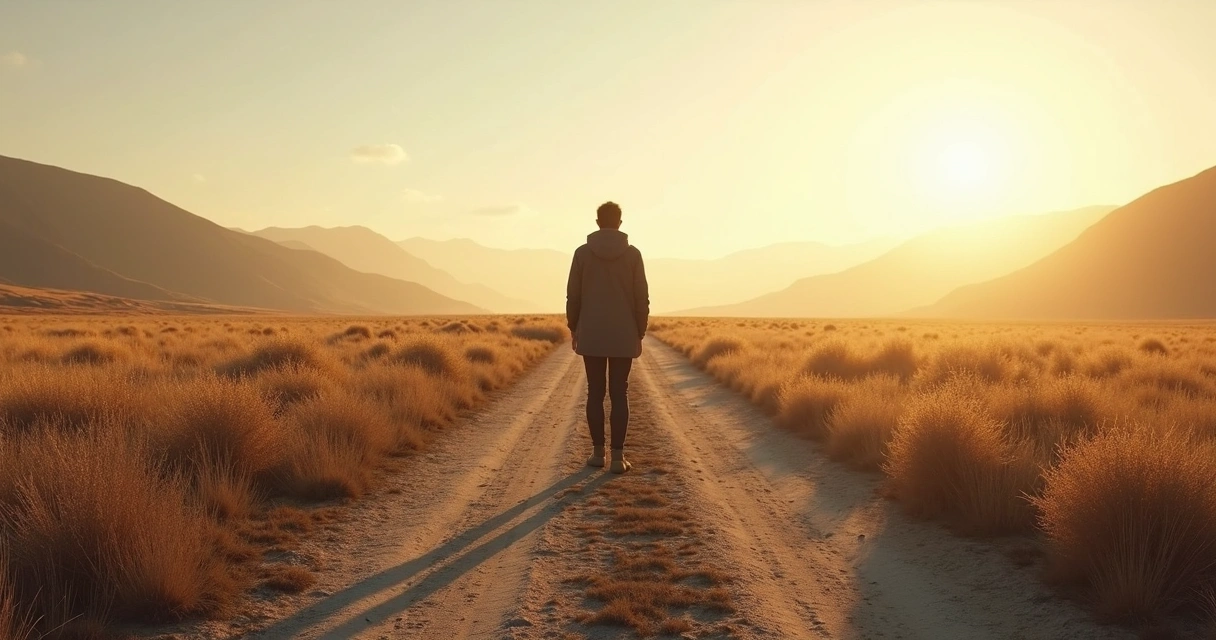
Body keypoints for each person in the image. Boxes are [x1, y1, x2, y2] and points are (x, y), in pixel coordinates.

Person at [566, 201, 650, 474]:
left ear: (598, 222)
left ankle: (597, 453)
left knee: (595, 392)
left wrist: (573, 327)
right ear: (620, 223)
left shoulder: (581, 254)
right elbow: (642, 298)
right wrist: (640, 331)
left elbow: (573, 296)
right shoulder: (633, 255)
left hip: (591, 332)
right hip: (624, 334)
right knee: (619, 392)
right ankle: (617, 458)